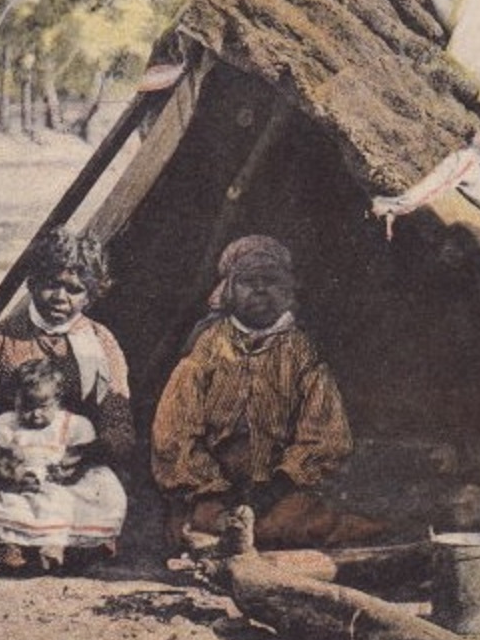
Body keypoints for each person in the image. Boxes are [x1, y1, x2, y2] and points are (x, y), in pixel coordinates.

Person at [151, 235, 383, 551]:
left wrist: (279, 486)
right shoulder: (207, 348)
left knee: (290, 527)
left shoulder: (301, 351)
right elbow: (174, 429)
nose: (260, 289)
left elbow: (326, 433)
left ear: (288, 290)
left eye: (271, 281)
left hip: (279, 484)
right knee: (203, 525)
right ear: (230, 290)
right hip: (214, 484)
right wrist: (209, 488)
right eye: (248, 281)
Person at [0, 227, 132, 572]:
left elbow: (118, 420)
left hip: (71, 466)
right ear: (31, 283)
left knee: (98, 507)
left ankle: (59, 547)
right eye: (51, 284)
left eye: (74, 289)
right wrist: (1, 462)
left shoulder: (101, 342)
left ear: (90, 295)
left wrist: (86, 455)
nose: (61, 297)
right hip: (9, 463)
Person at [0, 359, 128, 570]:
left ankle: (61, 547)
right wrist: (14, 472)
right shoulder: (7, 423)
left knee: (74, 500)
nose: (35, 414)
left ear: (58, 401)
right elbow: (3, 457)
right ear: (15, 400)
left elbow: (84, 458)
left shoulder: (73, 424)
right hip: (21, 481)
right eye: (26, 407)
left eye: (42, 407)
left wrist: (72, 467)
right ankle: (22, 547)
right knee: (9, 503)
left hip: (63, 481)